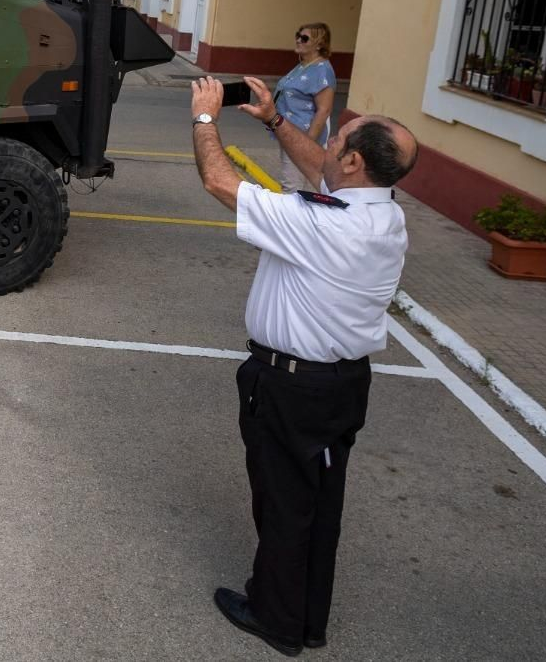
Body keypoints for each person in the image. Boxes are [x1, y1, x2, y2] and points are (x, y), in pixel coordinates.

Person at [190, 74, 419, 657]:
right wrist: (275, 120)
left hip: (293, 388)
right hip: (340, 384)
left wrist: (206, 117)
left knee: (284, 506)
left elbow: (220, 181)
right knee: (318, 507)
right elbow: (323, 169)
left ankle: (277, 620)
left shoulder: (324, 224)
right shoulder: (381, 213)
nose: (329, 145)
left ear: (356, 162)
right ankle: (308, 619)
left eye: (338, 140)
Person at [272, 23, 337, 191]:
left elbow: (324, 110)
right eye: (298, 36)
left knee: (292, 186)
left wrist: (306, 144)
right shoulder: (304, 65)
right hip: (289, 133)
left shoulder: (322, 70)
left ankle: (290, 209)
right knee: (298, 185)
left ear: (319, 44)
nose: (298, 40)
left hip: (301, 136)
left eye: (305, 38)